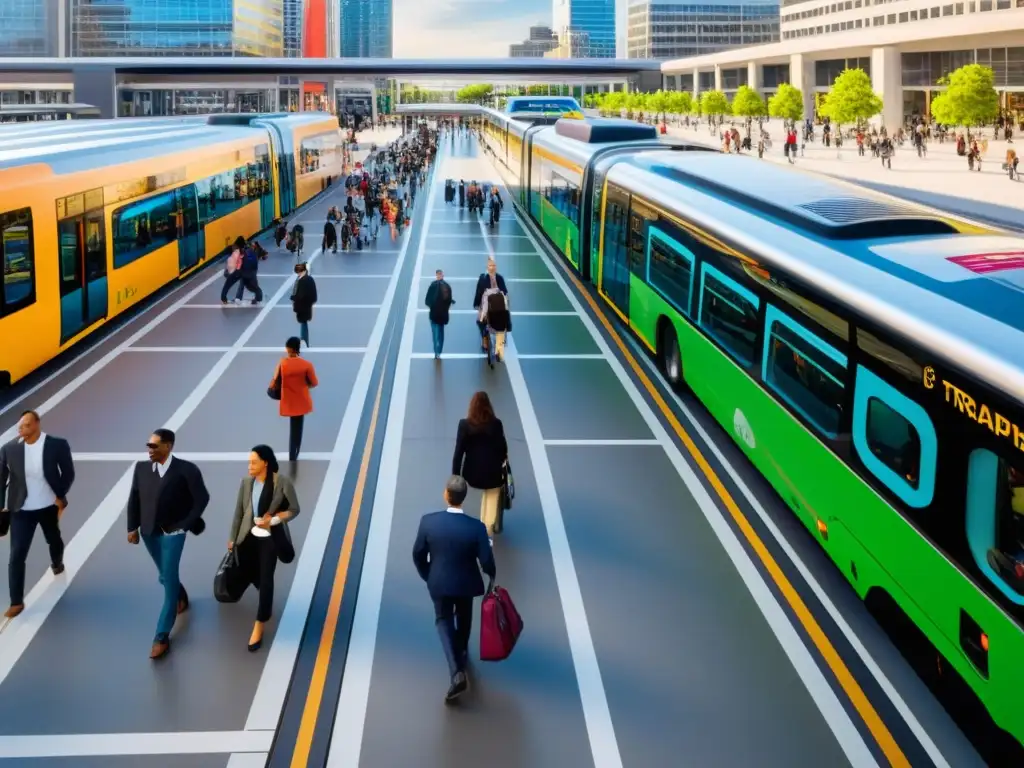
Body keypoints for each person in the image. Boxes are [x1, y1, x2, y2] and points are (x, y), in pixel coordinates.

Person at [126, 428, 210, 659]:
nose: (149, 450)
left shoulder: (187, 470)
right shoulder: (141, 469)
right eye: (148, 445)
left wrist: (186, 523)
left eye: (154, 446)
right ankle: (181, 597)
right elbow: (134, 498)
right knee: (164, 573)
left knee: (169, 578)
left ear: (168, 446)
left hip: (174, 533)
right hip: (149, 532)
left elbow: (202, 498)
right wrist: (131, 528)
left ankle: (161, 635)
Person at [412, 475, 496, 703]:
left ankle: (456, 671)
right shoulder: (476, 527)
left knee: (443, 620)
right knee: (465, 616)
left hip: (438, 582)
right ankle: (462, 652)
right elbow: (486, 560)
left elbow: (418, 554)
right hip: (466, 583)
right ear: (464, 497)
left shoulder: (428, 522)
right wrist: (491, 575)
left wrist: (428, 575)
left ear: (446, 495)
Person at [0, 410, 75, 619]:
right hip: (21, 511)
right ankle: (16, 602)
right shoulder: (9, 449)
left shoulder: (57, 445)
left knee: (54, 540)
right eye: (19, 426)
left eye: (25, 425)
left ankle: (57, 563)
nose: (20, 429)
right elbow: (1, 479)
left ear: (36, 424)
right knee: (16, 555)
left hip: (48, 507)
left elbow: (68, 473)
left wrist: (60, 494)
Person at [227, 445, 300, 651]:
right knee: (249, 573)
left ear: (265, 463)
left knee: (267, 579)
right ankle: (262, 591)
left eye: (253, 462)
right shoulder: (246, 482)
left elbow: (294, 509)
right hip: (247, 537)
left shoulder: (281, 482)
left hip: (270, 539)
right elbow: (239, 512)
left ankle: (260, 623)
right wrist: (233, 538)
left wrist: (275, 519)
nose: (249, 466)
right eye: (249, 462)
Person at [451, 392, 508, 542]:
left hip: (472, 474)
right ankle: (487, 531)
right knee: (491, 493)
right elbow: (503, 449)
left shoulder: (464, 425)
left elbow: (458, 452)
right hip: (493, 473)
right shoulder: (497, 424)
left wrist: (456, 476)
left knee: (486, 491)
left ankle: (482, 527)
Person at [273, 337, 319, 462]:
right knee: (298, 427)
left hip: (288, 400)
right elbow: (314, 382)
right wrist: (304, 386)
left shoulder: (282, 364)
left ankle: (292, 454)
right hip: (302, 399)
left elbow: (275, 380)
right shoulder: (306, 365)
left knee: (293, 427)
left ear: (288, 349)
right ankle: (296, 450)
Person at [472, 259, 509, 361]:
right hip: (491, 307)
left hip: (493, 307)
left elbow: (504, 292)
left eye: (493, 265)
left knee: (486, 323)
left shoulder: (493, 278)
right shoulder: (489, 278)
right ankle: (488, 343)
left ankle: (491, 345)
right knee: (485, 323)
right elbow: (479, 292)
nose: (492, 267)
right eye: (490, 266)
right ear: (488, 267)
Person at [424, 269, 454, 359]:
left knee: (435, 334)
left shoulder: (432, 286)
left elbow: (427, 301)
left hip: (433, 314)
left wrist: (432, 306)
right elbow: (449, 301)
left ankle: (436, 352)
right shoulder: (447, 287)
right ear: (443, 275)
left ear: (437, 276)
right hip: (443, 315)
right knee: (441, 333)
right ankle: (439, 351)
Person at [291, 262, 317, 348]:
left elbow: (300, 294)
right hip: (306, 305)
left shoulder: (302, 281)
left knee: (303, 323)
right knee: (304, 322)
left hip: (302, 306)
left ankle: (304, 341)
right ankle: (305, 341)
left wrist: (294, 298)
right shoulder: (309, 279)